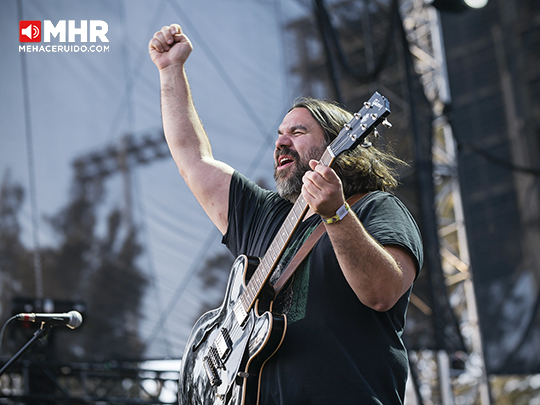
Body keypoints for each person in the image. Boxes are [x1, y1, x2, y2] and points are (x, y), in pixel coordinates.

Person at [149, 23, 423, 405]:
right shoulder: (264, 214)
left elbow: (382, 293)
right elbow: (192, 159)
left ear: (339, 145)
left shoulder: (375, 208)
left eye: (297, 131)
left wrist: (337, 214)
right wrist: (170, 71)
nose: (280, 140)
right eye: (279, 132)